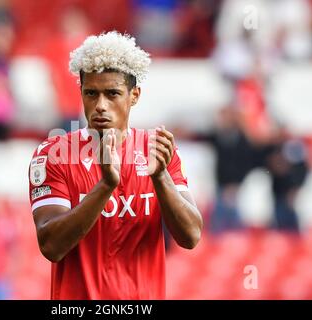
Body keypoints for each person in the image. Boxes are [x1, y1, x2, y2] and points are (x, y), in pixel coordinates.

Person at [28, 31, 203, 299]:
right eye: (91, 93)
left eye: (112, 94)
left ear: (134, 95)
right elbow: (51, 246)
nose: (100, 105)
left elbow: (190, 236)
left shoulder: (157, 151)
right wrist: (106, 186)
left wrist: (161, 178)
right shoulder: (55, 154)